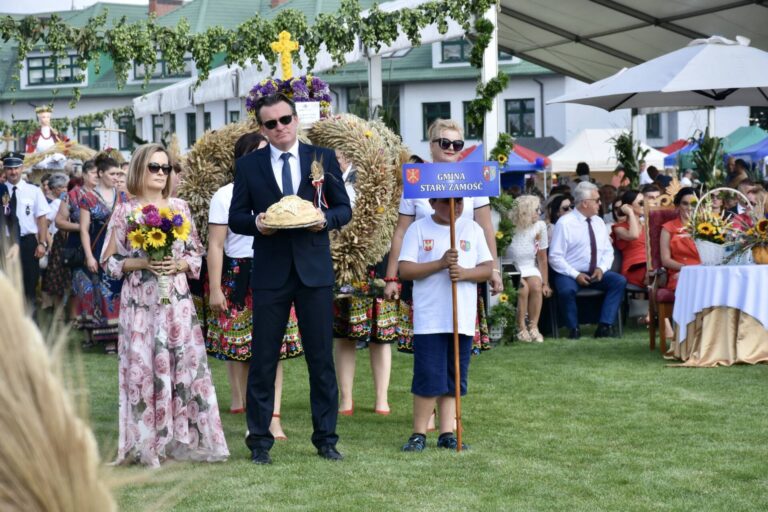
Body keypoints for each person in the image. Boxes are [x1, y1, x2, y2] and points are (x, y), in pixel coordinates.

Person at [229, 93, 352, 464]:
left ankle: (327, 439)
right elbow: (236, 217)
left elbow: (343, 208)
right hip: (270, 272)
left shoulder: (322, 158)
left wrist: (325, 220)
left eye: (285, 119)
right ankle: (260, 442)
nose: (280, 128)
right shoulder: (249, 166)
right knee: (264, 359)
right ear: (261, 128)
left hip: (314, 273)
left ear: (296, 119)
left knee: (321, 360)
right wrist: (257, 224)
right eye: (271, 123)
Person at [101, 142, 228, 468]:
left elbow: (196, 254)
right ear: (139, 169)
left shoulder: (181, 208)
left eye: (166, 168)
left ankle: (182, 439)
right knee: (144, 367)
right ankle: (146, 443)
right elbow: (109, 262)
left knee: (182, 365)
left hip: (177, 303)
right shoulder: (124, 211)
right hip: (140, 304)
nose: (160, 173)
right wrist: (140, 263)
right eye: (154, 167)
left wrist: (180, 266)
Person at [206, 132, 302, 441]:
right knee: (246, 352)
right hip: (240, 273)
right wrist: (216, 289)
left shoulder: (282, 192)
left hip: (275, 270)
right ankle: (255, 418)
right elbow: (216, 245)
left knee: (273, 352)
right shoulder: (225, 195)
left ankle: (273, 419)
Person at [383, 119, 503, 355]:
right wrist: (391, 277)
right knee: (430, 354)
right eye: (445, 142)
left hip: (463, 276)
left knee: (458, 356)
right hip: (427, 279)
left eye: (457, 144)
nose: (451, 148)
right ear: (432, 145)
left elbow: (486, 227)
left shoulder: (474, 178)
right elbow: (401, 232)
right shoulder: (416, 180)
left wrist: (495, 271)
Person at [399, 197, 493, 452]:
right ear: (431, 202)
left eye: (459, 203)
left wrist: (465, 273)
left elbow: (486, 268)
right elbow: (405, 269)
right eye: (445, 203)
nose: (454, 208)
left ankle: (447, 432)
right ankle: (419, 432)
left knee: (455, 376)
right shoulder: (418, 229)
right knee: (429, 375)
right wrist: (439, 264)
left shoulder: (472, 229)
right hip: (430, 317)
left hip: (460, 317)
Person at [333, 149, 395, 416]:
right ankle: (346, 398)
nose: (333, 159)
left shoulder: (373, 178)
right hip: (344, 264)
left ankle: (382, 398)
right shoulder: (328, 181)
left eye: (337, 153)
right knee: (344, 333)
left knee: (380, 335)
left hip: (377, 262)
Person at [549, 181, 627, 339]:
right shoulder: (565, 223)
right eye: (597, 200)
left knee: (619, 281)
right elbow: (555, 257)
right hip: (570, 273)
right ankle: (573, 329)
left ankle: (605, 326)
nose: (600, 203)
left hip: (595, 272)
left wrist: (602, 268)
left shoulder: (599, 222)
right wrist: (575, 274)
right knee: (566, 290)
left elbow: (608, 251)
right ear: (585, 203)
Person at [80, 154, 125, 354]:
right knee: (104, 292)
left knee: (120, 291)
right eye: (113, 173)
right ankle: (108, 338)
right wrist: (89, 256)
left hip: (119, 251)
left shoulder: (122, 196)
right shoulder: (87, 197)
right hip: (98, 251)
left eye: (119, 173)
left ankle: (122, 336)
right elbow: (83, 229)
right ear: (100, 174)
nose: (117, 177)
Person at [3, 153, 50, 309]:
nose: (13, 172)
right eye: (9, 168)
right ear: (4, 169)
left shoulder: (34, 190)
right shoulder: (1, 191)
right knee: (7, 287)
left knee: (29, 286)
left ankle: (31, 325)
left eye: (16, 168)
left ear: (22, 168)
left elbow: (42, 218)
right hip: (6, 244)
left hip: (28, 243)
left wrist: (42, 243)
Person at [505, 195, 551, 343]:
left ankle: (533, 327)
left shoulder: (540, 226)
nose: (539, 212)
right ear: (525, 211)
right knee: (523, 288)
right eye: (536, 209)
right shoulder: (508, 225)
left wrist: (545, 283)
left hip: (530, 266)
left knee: (536, 286)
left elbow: (542, 257)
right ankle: (521, 328)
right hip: (510, 265)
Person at [40, 172, 71, 312]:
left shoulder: (62, 201)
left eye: (66, 187)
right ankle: (57, 311)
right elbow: (45, 224)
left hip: (63, 242)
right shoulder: (57, 204)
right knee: (59, 279)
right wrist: (49, 241)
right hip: (59, 243)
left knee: (60, 279)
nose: (65, 190)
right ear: (55, 189)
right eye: (62, 187)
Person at [660, 188, 701, 292]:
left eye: (693, 204)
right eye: (685, 204)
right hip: (680, 273)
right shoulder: (668, 228)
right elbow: (665, 260)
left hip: (703, 272)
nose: (689, 208)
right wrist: (687, 270)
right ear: (678, 206)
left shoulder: (709, 227)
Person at [611, 190, 646, 288]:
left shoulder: (646, 225)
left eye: (645, 202)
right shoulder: (619, 227)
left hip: (650, 265)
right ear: (629, 206)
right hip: (633, 268)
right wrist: (630, 213)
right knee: (654, 275)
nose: (644, 205)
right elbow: (634, 235)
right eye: (641, 203)